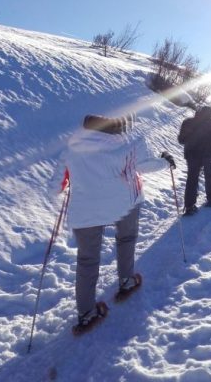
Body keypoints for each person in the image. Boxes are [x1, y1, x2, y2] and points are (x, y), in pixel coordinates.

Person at [49, 114, 174, 333]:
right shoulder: (129, 144)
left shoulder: (70, 151)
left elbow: (55, 188)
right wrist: (165, 160)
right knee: (126, 240)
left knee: (87, 260)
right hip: (125, 202)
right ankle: (126, 280)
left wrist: (72, 181)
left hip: (86, 210)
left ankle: (86, 313)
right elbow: (144, 166)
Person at [177, 106, 211, 215]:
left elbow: (181, 140)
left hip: (192, 154)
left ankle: (189, 206)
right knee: (210, 175)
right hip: (208, 154)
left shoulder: (187, 122)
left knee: (192, 178)